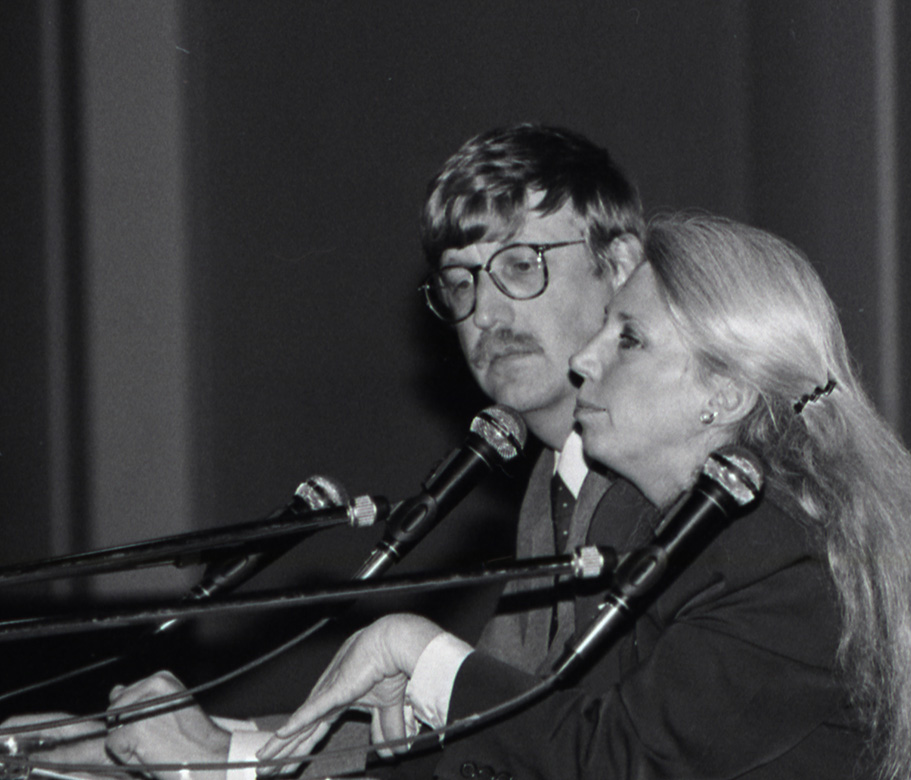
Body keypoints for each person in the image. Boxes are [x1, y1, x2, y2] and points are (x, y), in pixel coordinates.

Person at [254, 213, 911, 779]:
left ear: (725, 392)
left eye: (626, 339)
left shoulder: (774, 546)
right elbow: (560, 736)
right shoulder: (669, 524)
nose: (585, 361)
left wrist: (416, 651)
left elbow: (621, 762)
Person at [0, 124, 647, 778]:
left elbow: (561, 756)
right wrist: (125, 747)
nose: (486, 314)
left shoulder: (651, 483)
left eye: (519, 266)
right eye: (460, 281)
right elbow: (467, 732)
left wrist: (217, 759)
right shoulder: (553, 478)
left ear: (618, 267)